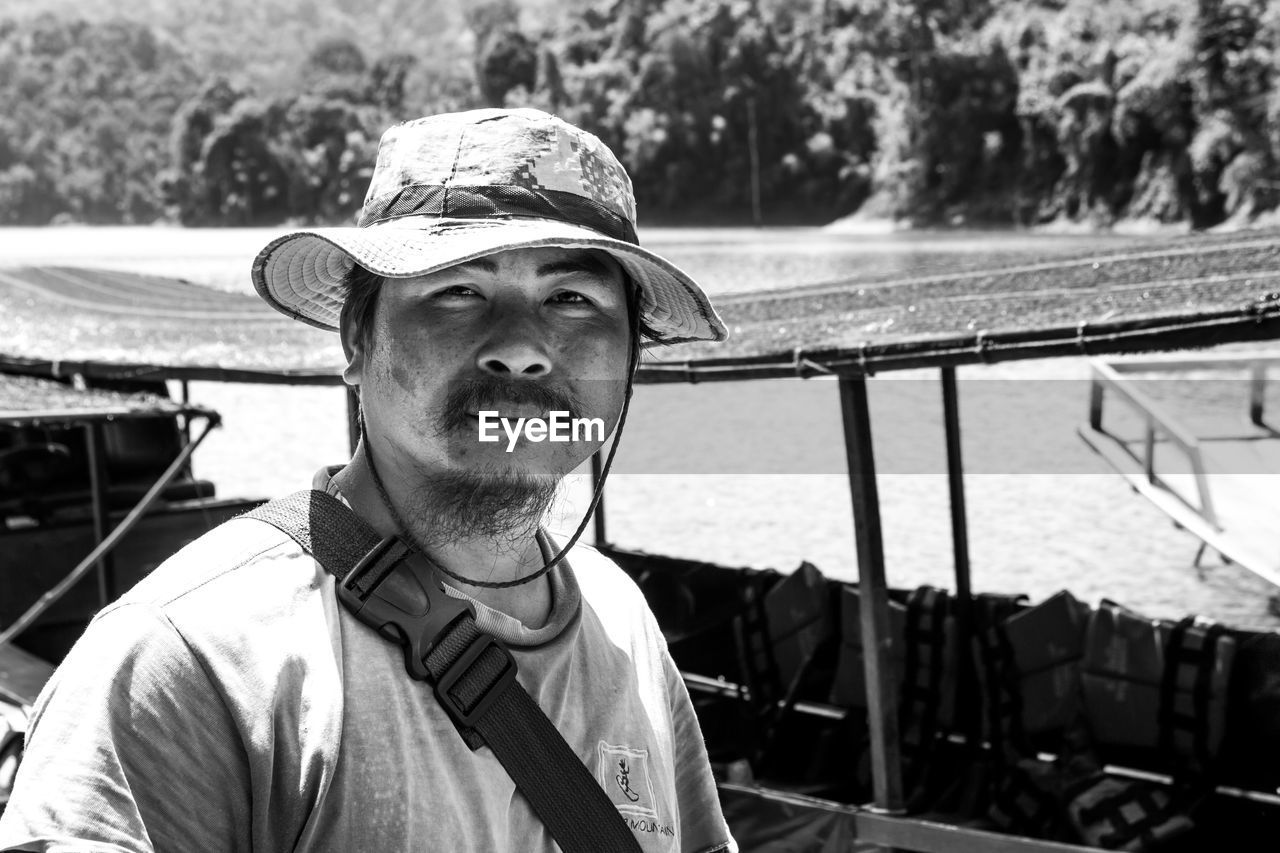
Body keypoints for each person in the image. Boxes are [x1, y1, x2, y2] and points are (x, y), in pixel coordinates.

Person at [0, 108, 735, 852]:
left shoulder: (623, 621)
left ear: (628, 359)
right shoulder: (192, 658)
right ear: (357, 340)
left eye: (572, 300)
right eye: (458, 292)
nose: (521, 349)